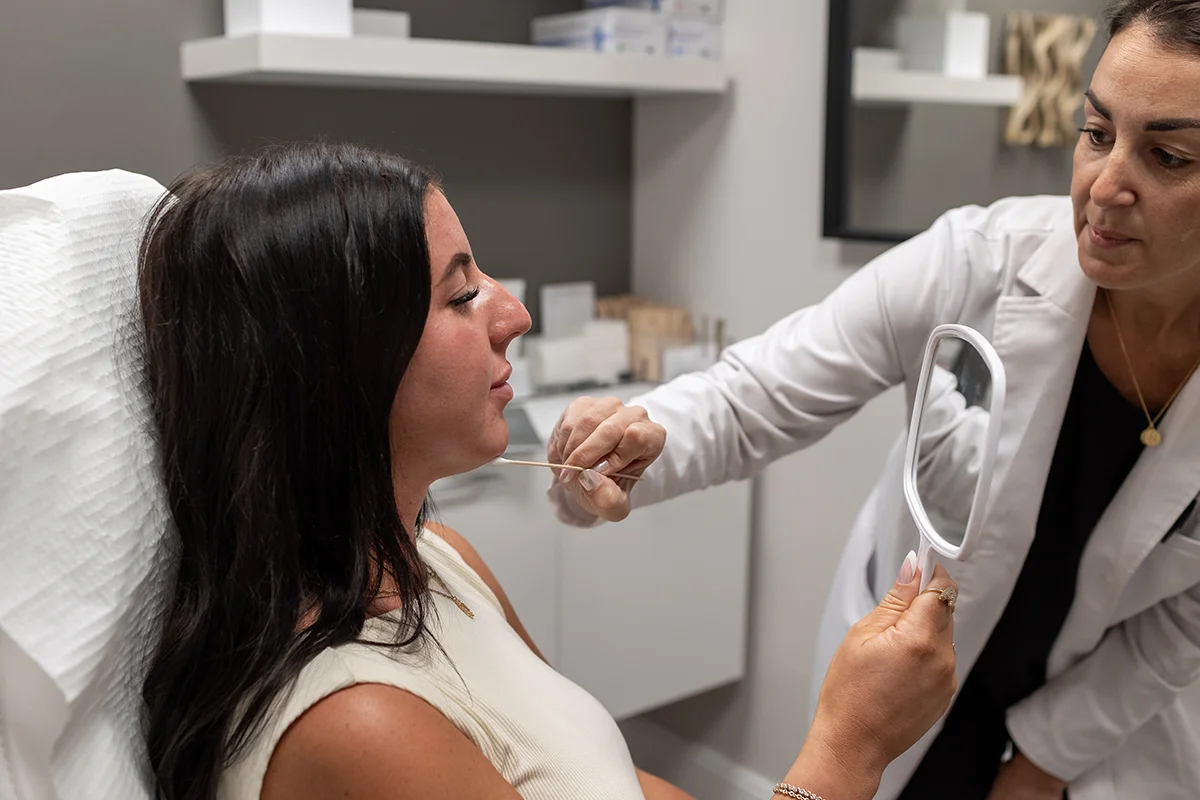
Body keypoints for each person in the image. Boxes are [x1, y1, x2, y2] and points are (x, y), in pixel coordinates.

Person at [135, 142, 958, 800]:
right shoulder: (358, 726)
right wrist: (846, 751)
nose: (515, 315)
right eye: (461, 296)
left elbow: (606, 778)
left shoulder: (441, 563)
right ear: (340, 371)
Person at [546, 3, 1200, 799]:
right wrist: (639, 439)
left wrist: (1037, 770)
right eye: (1096, 133)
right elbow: (758, 393)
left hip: (1092, 721)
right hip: (908, 685)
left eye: (1167, 156)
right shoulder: (977, 261)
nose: (1104, 185)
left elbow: (1180, 620)